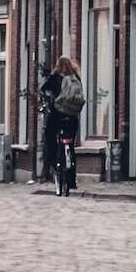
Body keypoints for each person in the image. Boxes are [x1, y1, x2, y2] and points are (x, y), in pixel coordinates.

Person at [39, 57, 83, 187]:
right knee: (70, 144)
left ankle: (53, 161)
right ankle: (72, 181)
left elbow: (43, 89)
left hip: (57, 116)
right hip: (72, 116)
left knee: (49, 135)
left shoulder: (55, 77)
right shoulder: (75, 78)